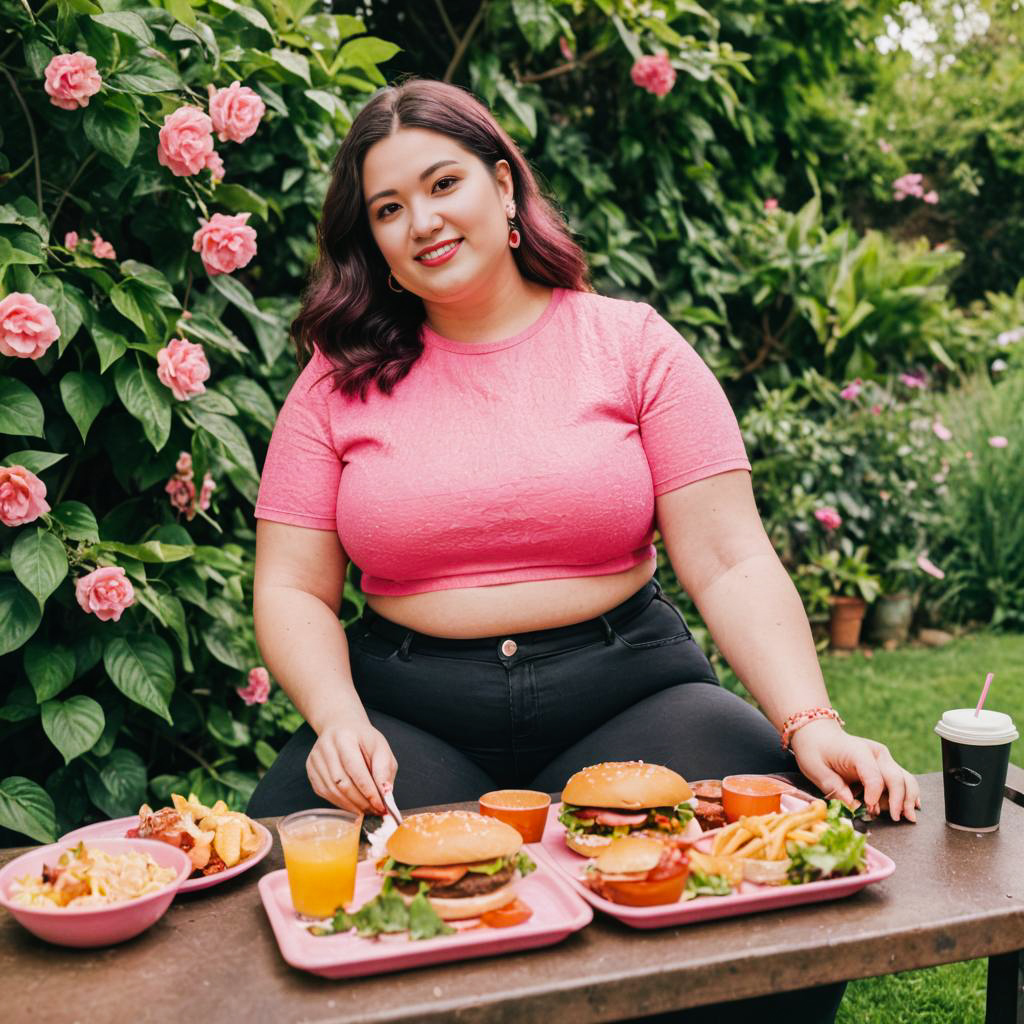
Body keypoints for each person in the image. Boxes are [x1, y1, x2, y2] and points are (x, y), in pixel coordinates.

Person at [247, 78, 918, 1022]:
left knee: (784, 866)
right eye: (388, 208)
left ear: (505, 188)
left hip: (632, 689)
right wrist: (335, 717)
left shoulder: (631, 344)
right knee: (281, 898)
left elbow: (729, 557)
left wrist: (813, 722)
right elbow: (291, 586)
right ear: (374, 245)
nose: (422, 221)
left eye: (444, 184)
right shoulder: (334, 381)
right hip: (408, 714)